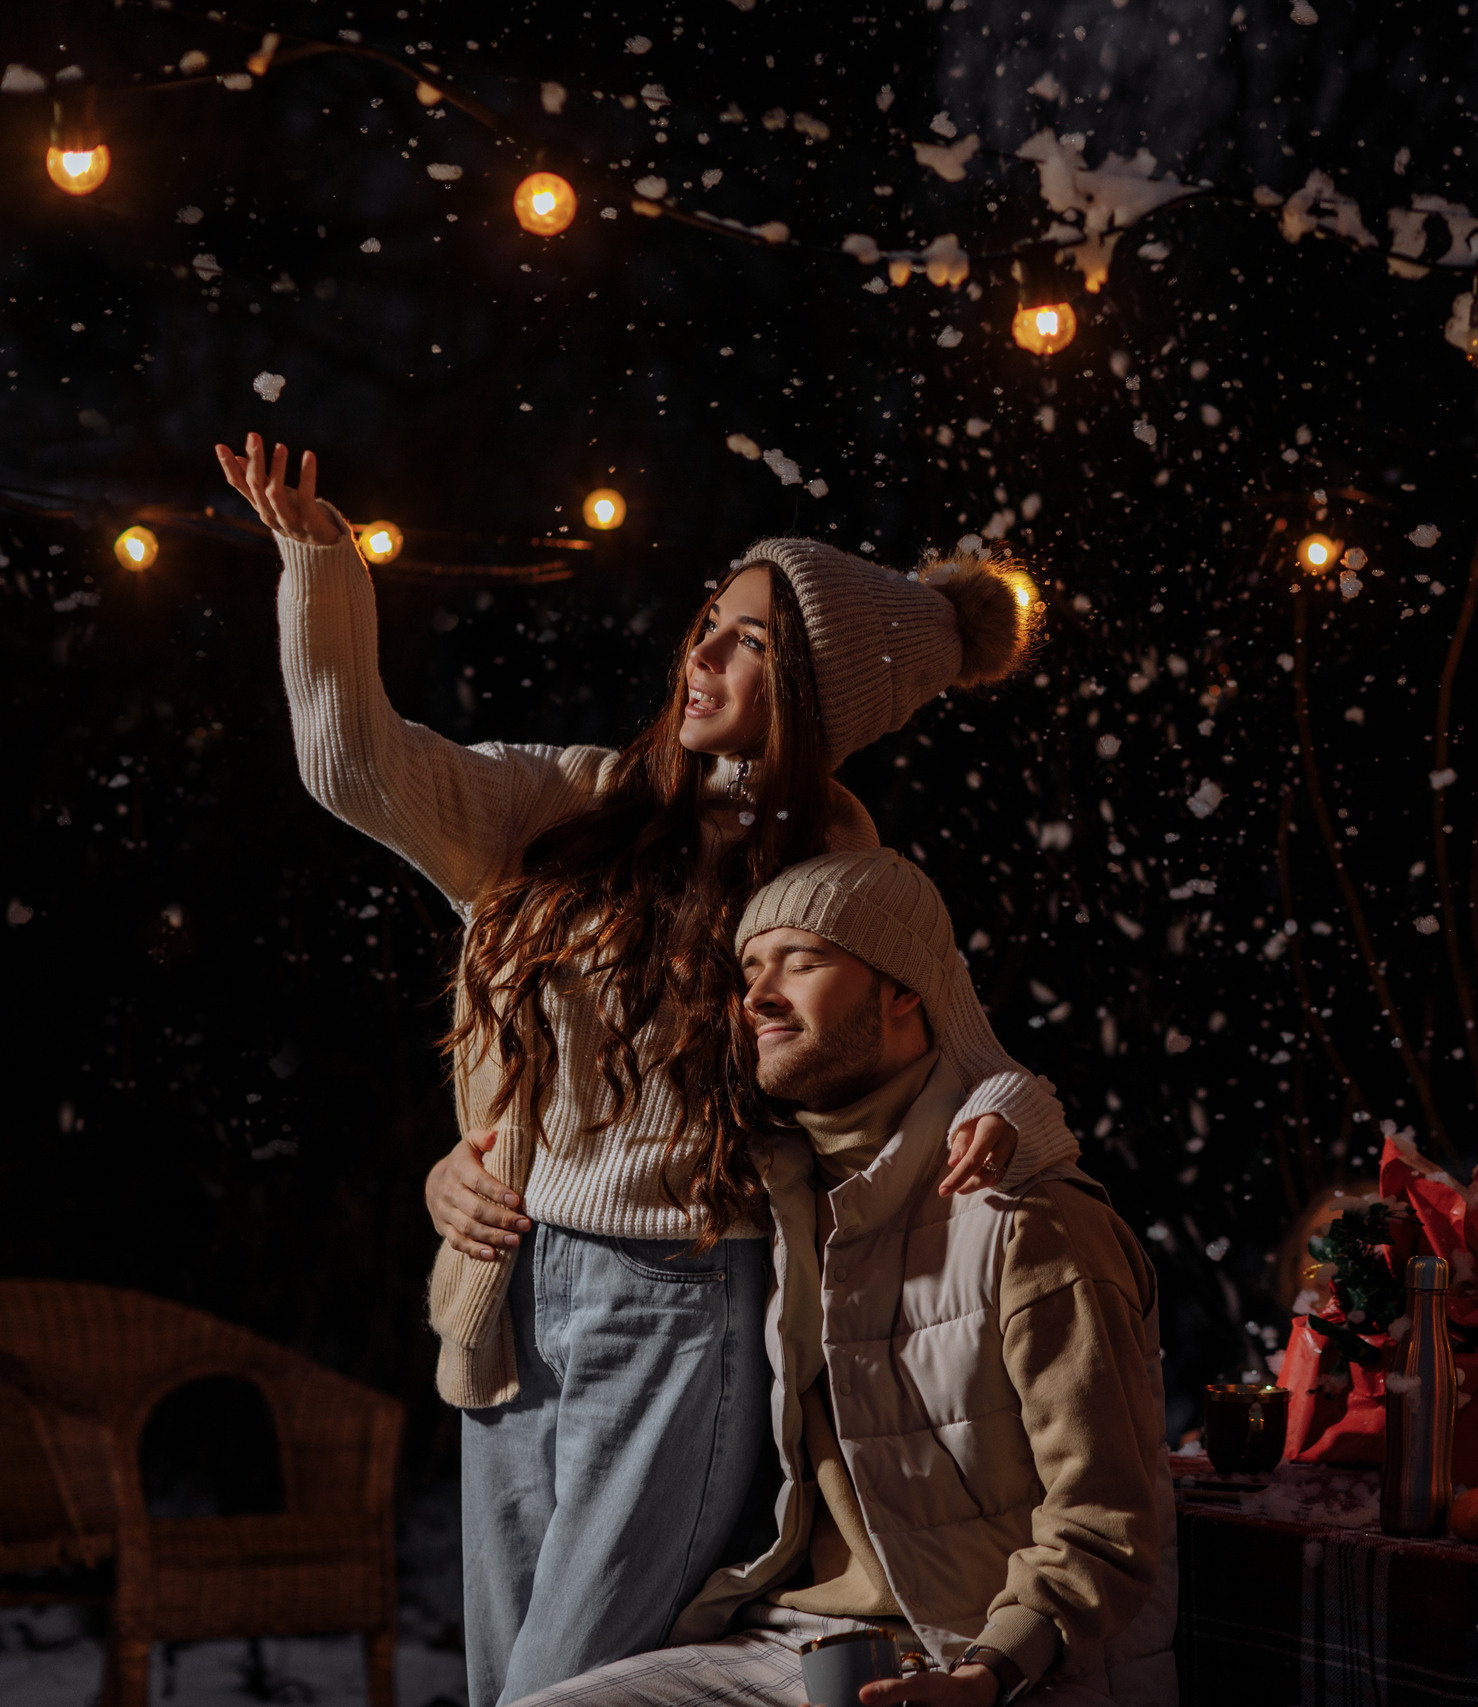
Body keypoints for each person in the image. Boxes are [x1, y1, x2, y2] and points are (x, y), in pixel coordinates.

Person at [214, 435, 1083, 1707]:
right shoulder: (567, 804)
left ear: (817, 696)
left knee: (565, 1691)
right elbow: (358, 767)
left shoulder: (842, 891)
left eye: (746, 644)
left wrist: (1001, 1124)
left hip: (684, 1310)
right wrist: (319, 566)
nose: (702, 657)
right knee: (509, 1681)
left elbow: (989, 1069)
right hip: (511, 1291)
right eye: (707, 626)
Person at [516, 847, 1175, 1707]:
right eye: (750, 967)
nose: (757, 995)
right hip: (806, 1643)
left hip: (995, 1667)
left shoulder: (1032, 1221)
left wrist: (989, 1669)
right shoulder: (779, 1197)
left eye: (805, 958)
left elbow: (1105, 1517)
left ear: (905, 987)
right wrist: (459, 1166)